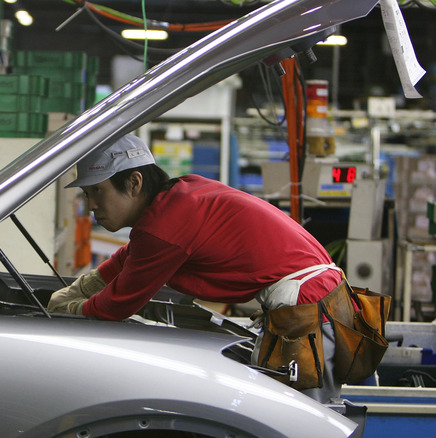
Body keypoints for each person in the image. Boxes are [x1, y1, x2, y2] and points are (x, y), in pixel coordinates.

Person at [48, 133, 349, 403]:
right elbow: (131, 256)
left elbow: (114, 307)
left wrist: (66, 311)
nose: (90, 205)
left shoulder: (163, 225)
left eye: (97, 191)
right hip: (317, 299)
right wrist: (82, 289)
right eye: (87, 194)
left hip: (307, 307)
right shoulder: (179, 196)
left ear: (134, 182)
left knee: (293, 418)